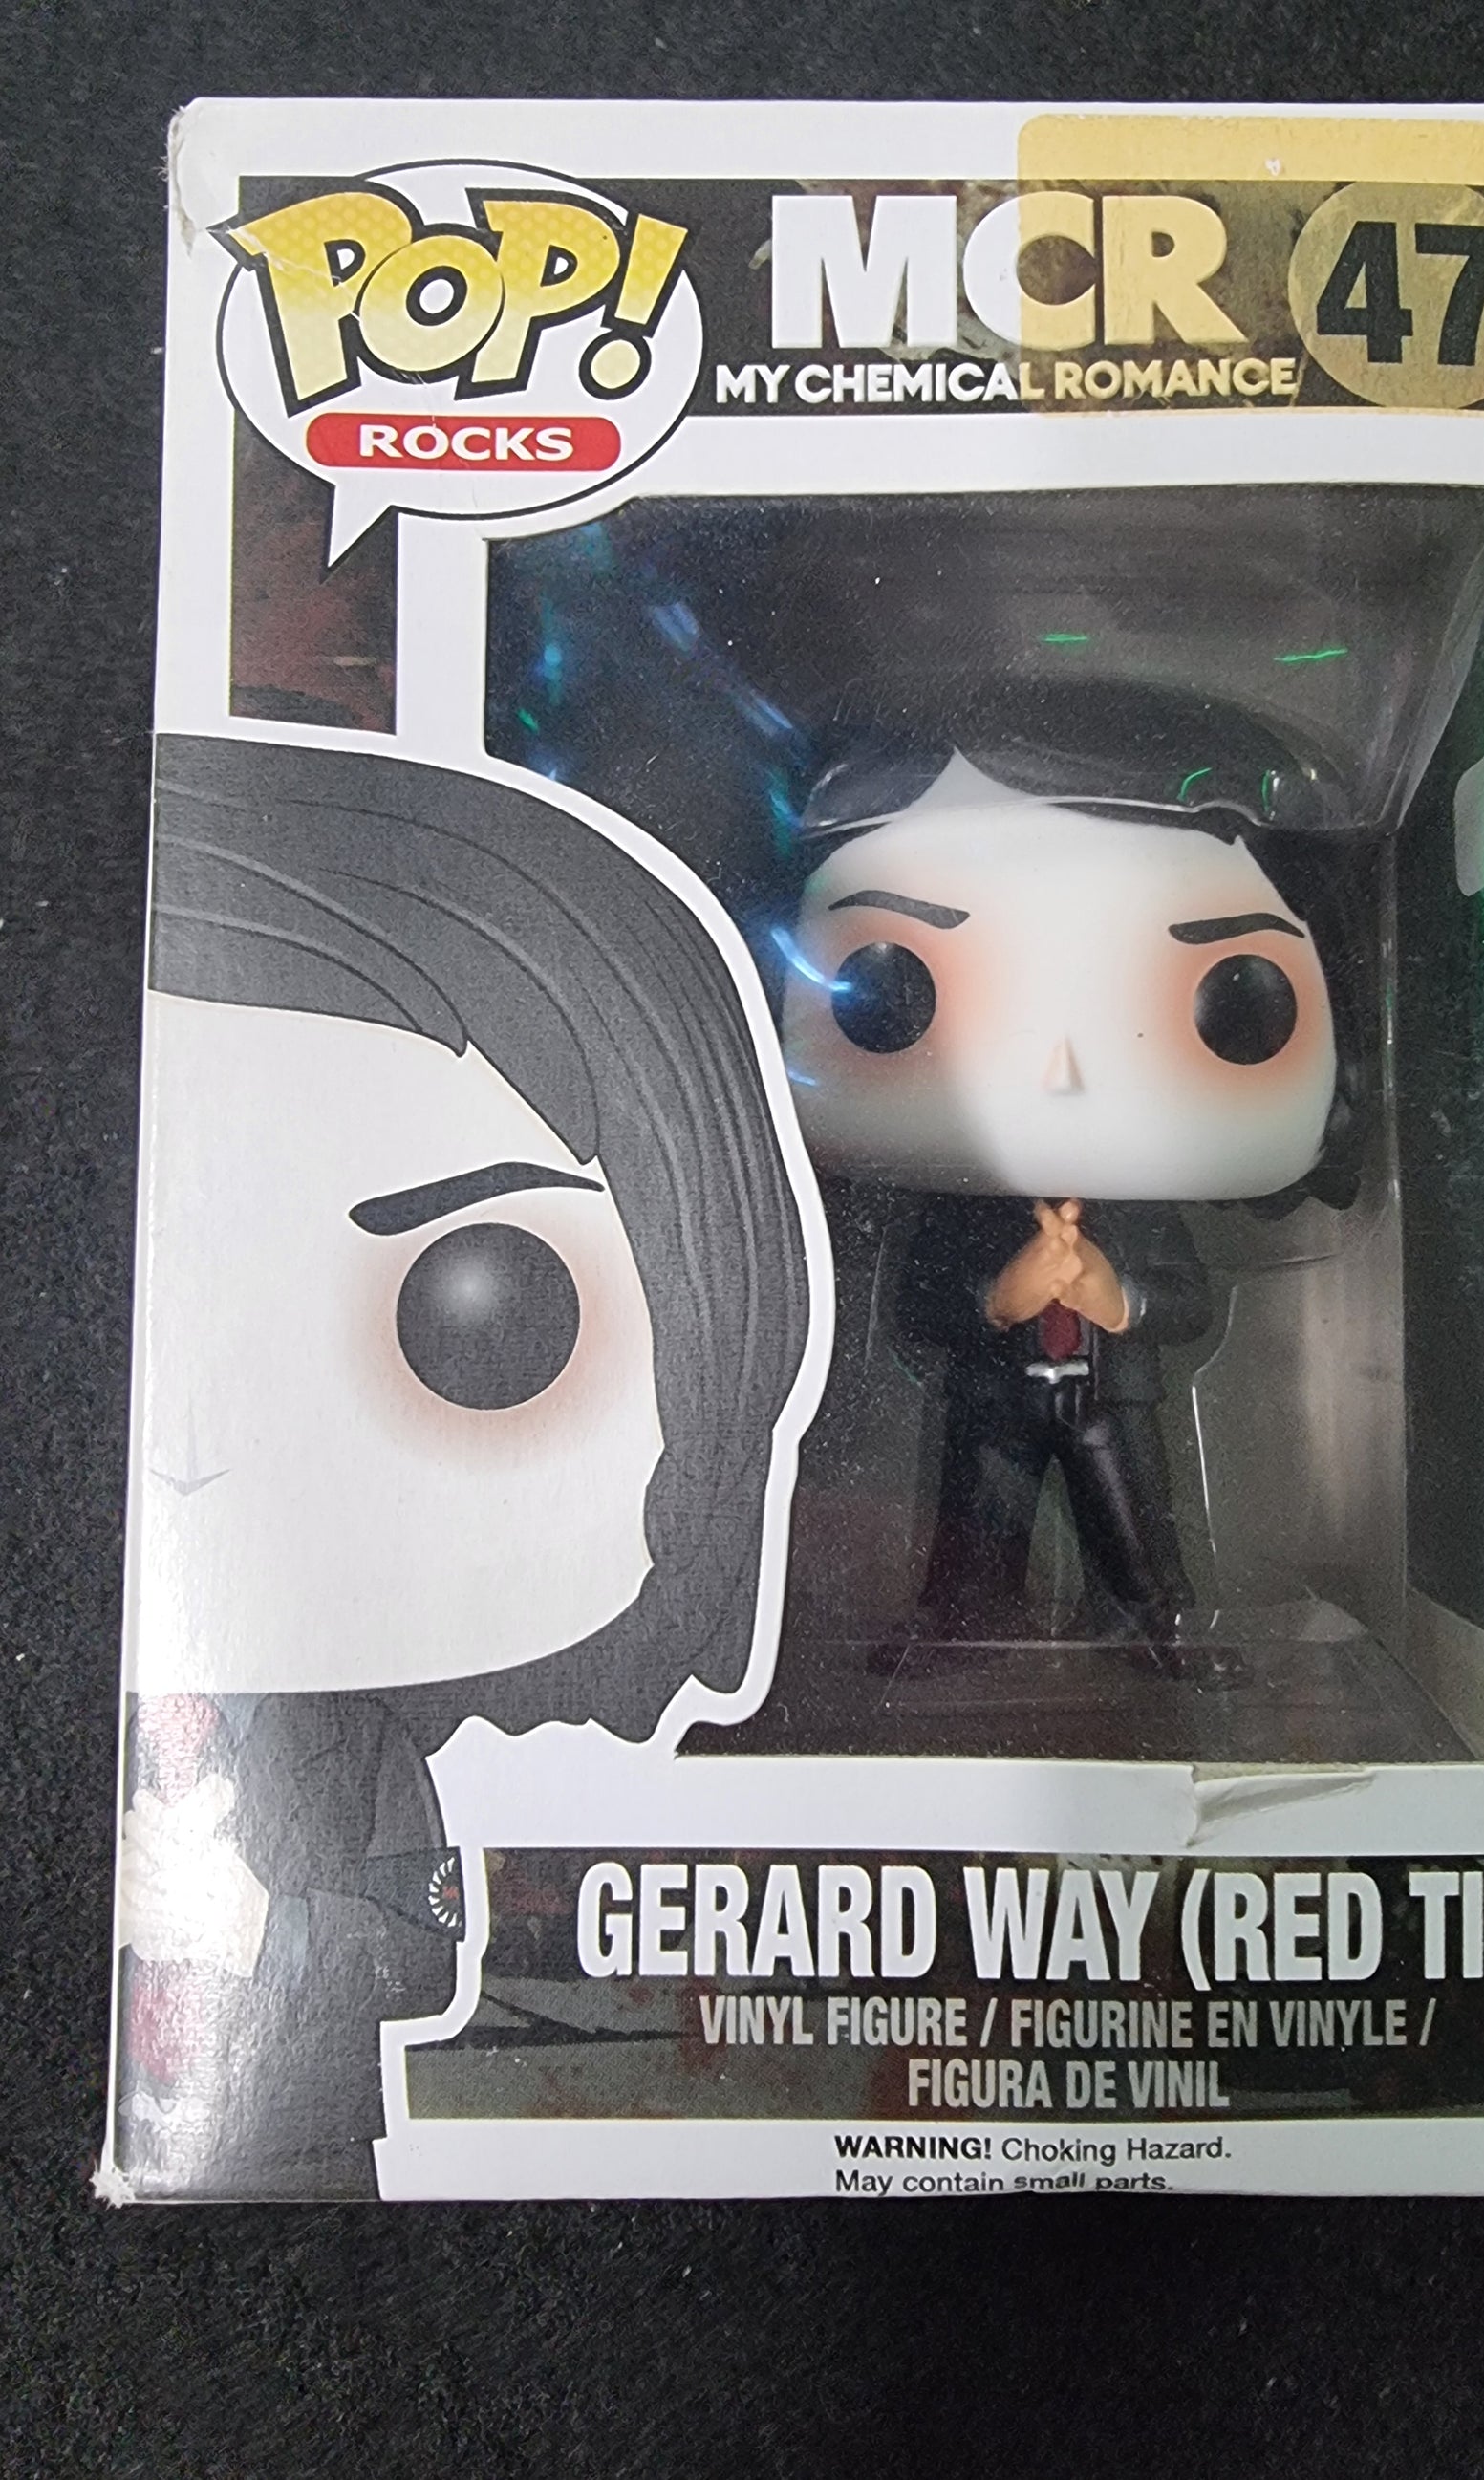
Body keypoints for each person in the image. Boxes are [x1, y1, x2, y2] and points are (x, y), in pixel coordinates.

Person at [115, 734, 814, 2195]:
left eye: (481, 1312)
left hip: (297, 2161)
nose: (200, 1450)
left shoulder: (357, 1744)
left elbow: (421, 1948)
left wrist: (253, 1931)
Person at [777, 683, 1364, 1653]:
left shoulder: (1138, 1210)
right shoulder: (960, 1208)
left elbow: (1186, 1303)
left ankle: (1149, 1627)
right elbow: (917, 1307)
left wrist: (1114, 1293)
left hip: (1109, 1404)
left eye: (1228, 996)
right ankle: (958, 1626)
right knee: (972, 1543)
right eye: (896, 982)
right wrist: (1000, 1296)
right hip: (993, 1401)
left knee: (1134, 1549)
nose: (1060, 1072)